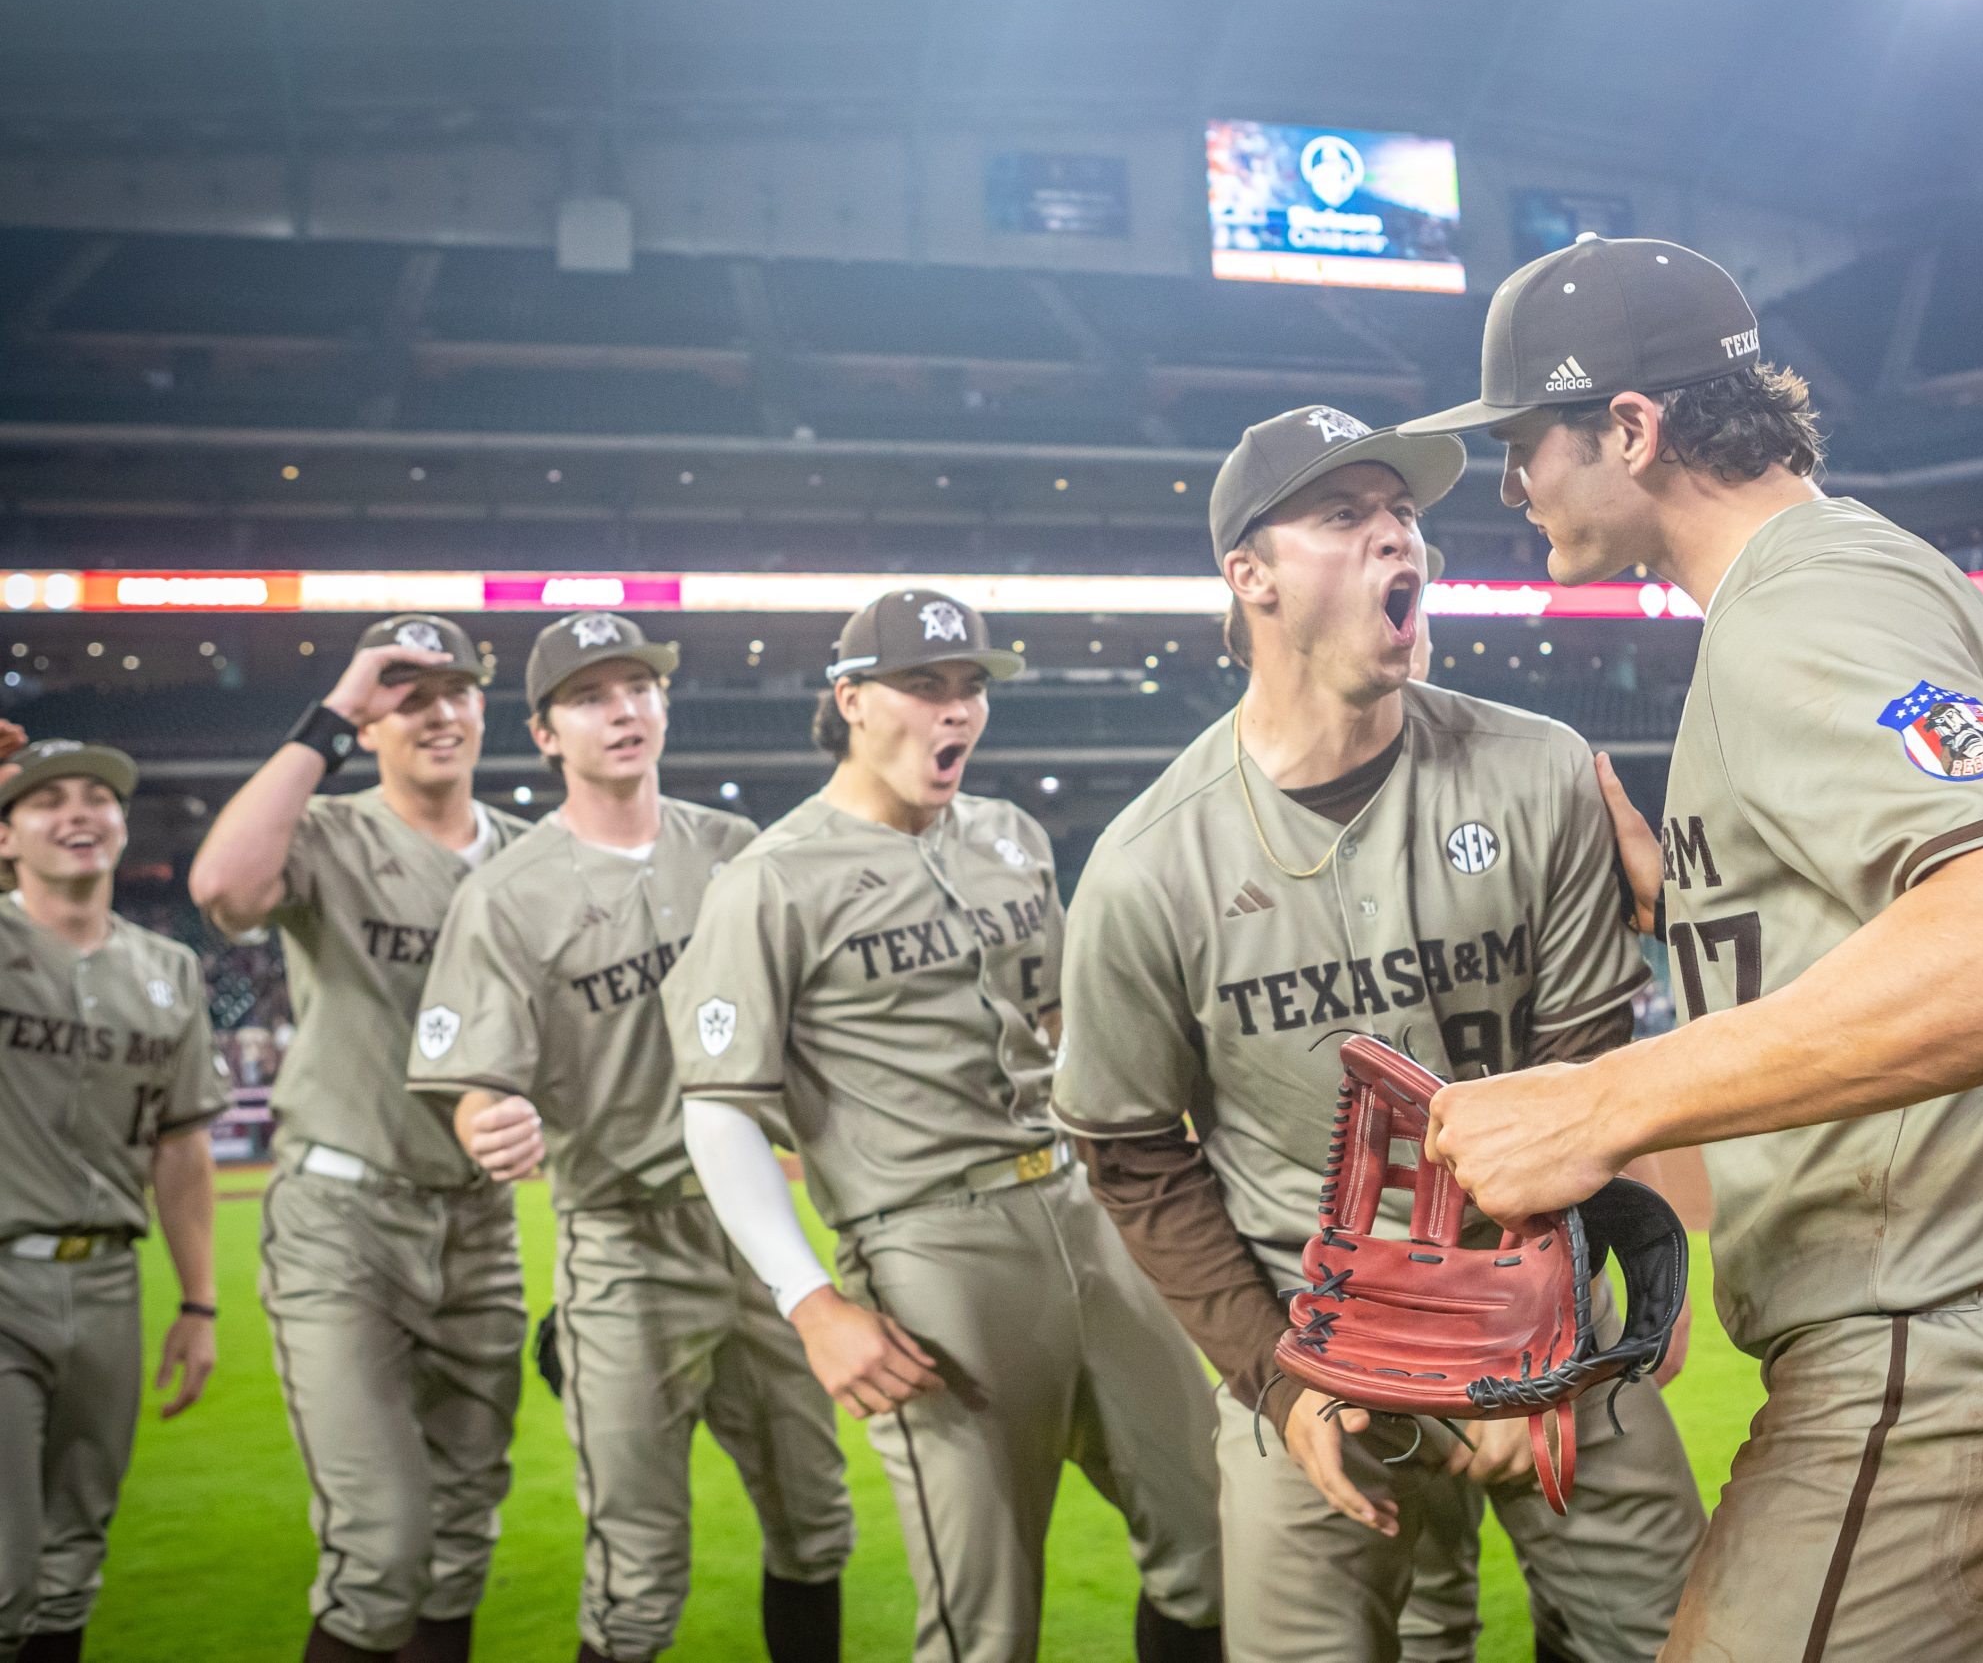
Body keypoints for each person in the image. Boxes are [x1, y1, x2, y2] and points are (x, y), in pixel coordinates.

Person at [1402, 237, 1983, 1660]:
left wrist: (1602, 1099)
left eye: (1526, 442)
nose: (1513, 483)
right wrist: (1694, 902)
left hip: (1945, 1365)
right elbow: (1907, 914)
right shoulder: (1853, 574)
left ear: (1632, 429)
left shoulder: (1802, 607)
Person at [1053, 405, 1707, 1663]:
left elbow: (1582, 1069)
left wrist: (1541, 1336)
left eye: (1404, 516)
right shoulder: (1145, 865)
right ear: (1249, 574)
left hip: (1552, 1324)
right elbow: (1133, 1151)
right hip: (1319, 1349)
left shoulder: (1540, 771)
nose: (1396, 536)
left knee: (1689, 1635)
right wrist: (1278, 1377)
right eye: (1344, 516)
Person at [663, 591, 1223, 1663]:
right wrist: (810, 1299)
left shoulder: (1007, 835)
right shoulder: (769, 880)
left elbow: (1064, 1023)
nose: (954, 710)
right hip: (930, 1242)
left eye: (970, 687)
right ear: (851, 699)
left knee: (1215, 1542)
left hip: (1084, 1205)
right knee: (984, 1618)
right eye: (924, 685)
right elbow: (719, 1107)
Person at [406, 611, 849, 1663]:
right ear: (545, 733)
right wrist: (484, 1116)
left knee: (816, 1518)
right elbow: (473, 1077)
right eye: (591, 695)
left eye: (640, 686)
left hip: (759, 1240)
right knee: (638, 1568)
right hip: (622, 1238)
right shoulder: (507, 893)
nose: (625, 709)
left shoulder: (736, 851)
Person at [188, 616, 531, 1663]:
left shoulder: (528, 856)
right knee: (381, 1546)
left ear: (484, 707)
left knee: (463, 1535)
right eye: (407, 692)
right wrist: (331, 713)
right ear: (370, 718)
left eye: (457, 689)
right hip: (345, 1217)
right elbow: (223, 891)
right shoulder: (331, 831)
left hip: (479, 1224)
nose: (439, 711)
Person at [0, 739, 224, 1663]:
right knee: (7, 1568)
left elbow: (181, 1145)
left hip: (108, 1288)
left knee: (75, 1553)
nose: (80, 813)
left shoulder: (168, 967)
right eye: (47, 800)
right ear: (6, 835)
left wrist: (200, 1301)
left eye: (99, 797)